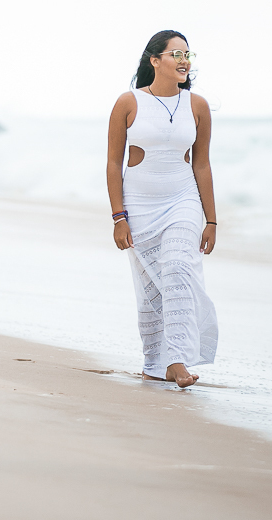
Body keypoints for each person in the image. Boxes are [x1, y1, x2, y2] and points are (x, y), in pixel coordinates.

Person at [106, 30, 218, 388]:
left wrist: (211, 219)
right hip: (139, 205)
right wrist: (118, 217)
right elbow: (113, 163)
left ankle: (177, 360)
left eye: (188, 54)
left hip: (183, 200)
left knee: (177, 269)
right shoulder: (128, 102)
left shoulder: (196, 106)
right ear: (155, 61)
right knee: (150, 287)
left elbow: (201, 164)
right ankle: (155, 362)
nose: (184, 61)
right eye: (176, 54)